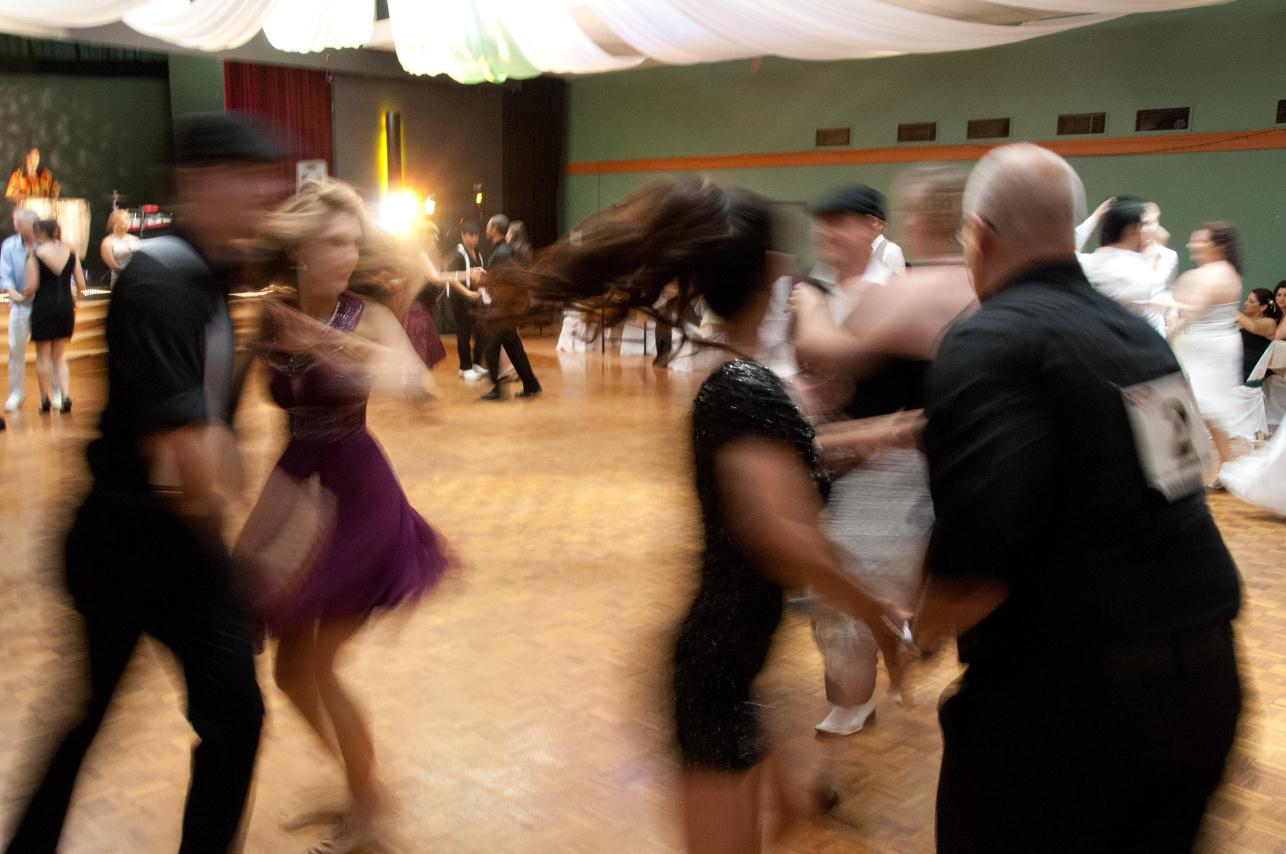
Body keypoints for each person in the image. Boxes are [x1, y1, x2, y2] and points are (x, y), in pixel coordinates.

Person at [487, 177, 906, 853]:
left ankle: (793, 795)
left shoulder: (742, 377)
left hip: (736, 662)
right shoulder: (740, 386)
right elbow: (781, 535)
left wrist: (881, 434)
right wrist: (876, 614)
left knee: (775, 823)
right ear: (773, 274)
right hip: (713, 672)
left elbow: (787, 459)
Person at [912, 143, 1242, 853]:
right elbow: (1175, 476)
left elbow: (981, 551)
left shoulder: (989, 335)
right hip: (1203, 686)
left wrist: (919, 630)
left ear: (979, 235)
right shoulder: (1135, 336)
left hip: (1072, 710)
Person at [3, 113, 281, 854]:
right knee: (211, 714)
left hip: (153, 539)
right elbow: (185, 460)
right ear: (200, 183)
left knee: (194, 716)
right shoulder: (159, 283)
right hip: (133, 543)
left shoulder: (209, 276)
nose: (265, 197)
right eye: (250, 180)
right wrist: (252, 562)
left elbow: (209, 440)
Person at [238, 179, 449, 854]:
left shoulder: (368, 315)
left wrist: (355, 353)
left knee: (324, 667)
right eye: (333, 242)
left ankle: (370, 815)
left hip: (360, 497)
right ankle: (362, 787)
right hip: (300, 489)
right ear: (300, 248)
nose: (347, 255)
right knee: (289, 674)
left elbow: (418, 388)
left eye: (354, 243)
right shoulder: (272, 316)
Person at [790, 165, 977, 736]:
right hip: (864, 458)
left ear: (890, 224)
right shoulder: (973, 287)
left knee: (851, 581)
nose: (830, 233)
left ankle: (865, 686)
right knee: (844, 582)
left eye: (842, 222)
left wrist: (809, 308)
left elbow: (835, 351)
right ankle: (879, 669)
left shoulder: (909, 288)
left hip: (895, 464)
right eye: (825, 223)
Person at [1170, 222, 1263, 465]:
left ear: (1217, 246)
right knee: (1207, 409)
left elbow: (1192, 311)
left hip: (1207, 346)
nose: (1192, 244)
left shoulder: (1218, 272)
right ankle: (1228, 462)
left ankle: (1228, 462)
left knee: (1206, 406)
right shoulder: (1221, 271)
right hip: (1207, 344)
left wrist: (1161, 302)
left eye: (1200, 240)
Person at [1074, 196, 1168, 335]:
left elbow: (1069, 246)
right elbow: (1148, 296)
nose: (1152, 229)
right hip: (1134, 341)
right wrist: (1151, 258)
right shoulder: (1139, 270)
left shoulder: (1086, 262)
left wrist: (1096, 216)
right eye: (1144, 224)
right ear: (1131, 229)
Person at [23, 218, 85, 413]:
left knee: (42, 356)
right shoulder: (71, 252)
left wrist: (21, 294)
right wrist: (75, 299)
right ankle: (65, 396)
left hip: (43, 306)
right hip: (65, 307)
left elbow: (33, 287)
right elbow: (81, 284)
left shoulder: (35, 255)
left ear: (41, 233)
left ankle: (44, 400)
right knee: (59, 356)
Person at [478, 213, 540, 400]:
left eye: (488, 226)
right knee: (514, 348)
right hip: (505, 309)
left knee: (491, 347)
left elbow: (507, 281)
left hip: (502, 309)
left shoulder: (502, 253)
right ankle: (531, 384)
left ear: (494, 229)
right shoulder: (504, 250)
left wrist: (485, 282)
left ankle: (497, 390)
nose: (486, 229)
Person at [2, 208, 38, 412]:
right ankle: (15, 393)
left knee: (49, 352)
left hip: (44, 304)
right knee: (15, 350)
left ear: (30, 224)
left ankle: (53, 393)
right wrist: (10, 290)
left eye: (18, 220)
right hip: (19, 305)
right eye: (14, 220)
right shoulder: (9, 245)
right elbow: (5, 274)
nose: (14, 223)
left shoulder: (45, 243)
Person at [446, 221, 487, 380]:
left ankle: (476, 364)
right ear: (463, 235)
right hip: (461, 298)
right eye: (470, 235)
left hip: (476, 297)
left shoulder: (478, 253)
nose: (474, 238)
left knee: (481, 330)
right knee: (464, 332)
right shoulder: (458, 254)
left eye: (476, 235)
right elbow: (452, 278)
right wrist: (467, 293)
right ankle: (465, 368)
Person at [1236, 287, 1281, 380]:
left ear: (1263, 307)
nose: (1245, 304)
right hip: (1234, 366)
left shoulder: (1269, 323)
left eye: (1251, 302)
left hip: (1250, 373)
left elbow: (1252, 327)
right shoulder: (1241, 321)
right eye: (1246, 300)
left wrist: (1231, 310)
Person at [100, 208, 141, 288]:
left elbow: (141, 259)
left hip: (136, 280)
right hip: (119, 281)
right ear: (116, 223)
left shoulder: (135, 239)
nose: (128, 222)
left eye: (128, 219)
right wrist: (130, 273)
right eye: (125, 220)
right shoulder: (107, 242)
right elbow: (113, 266)